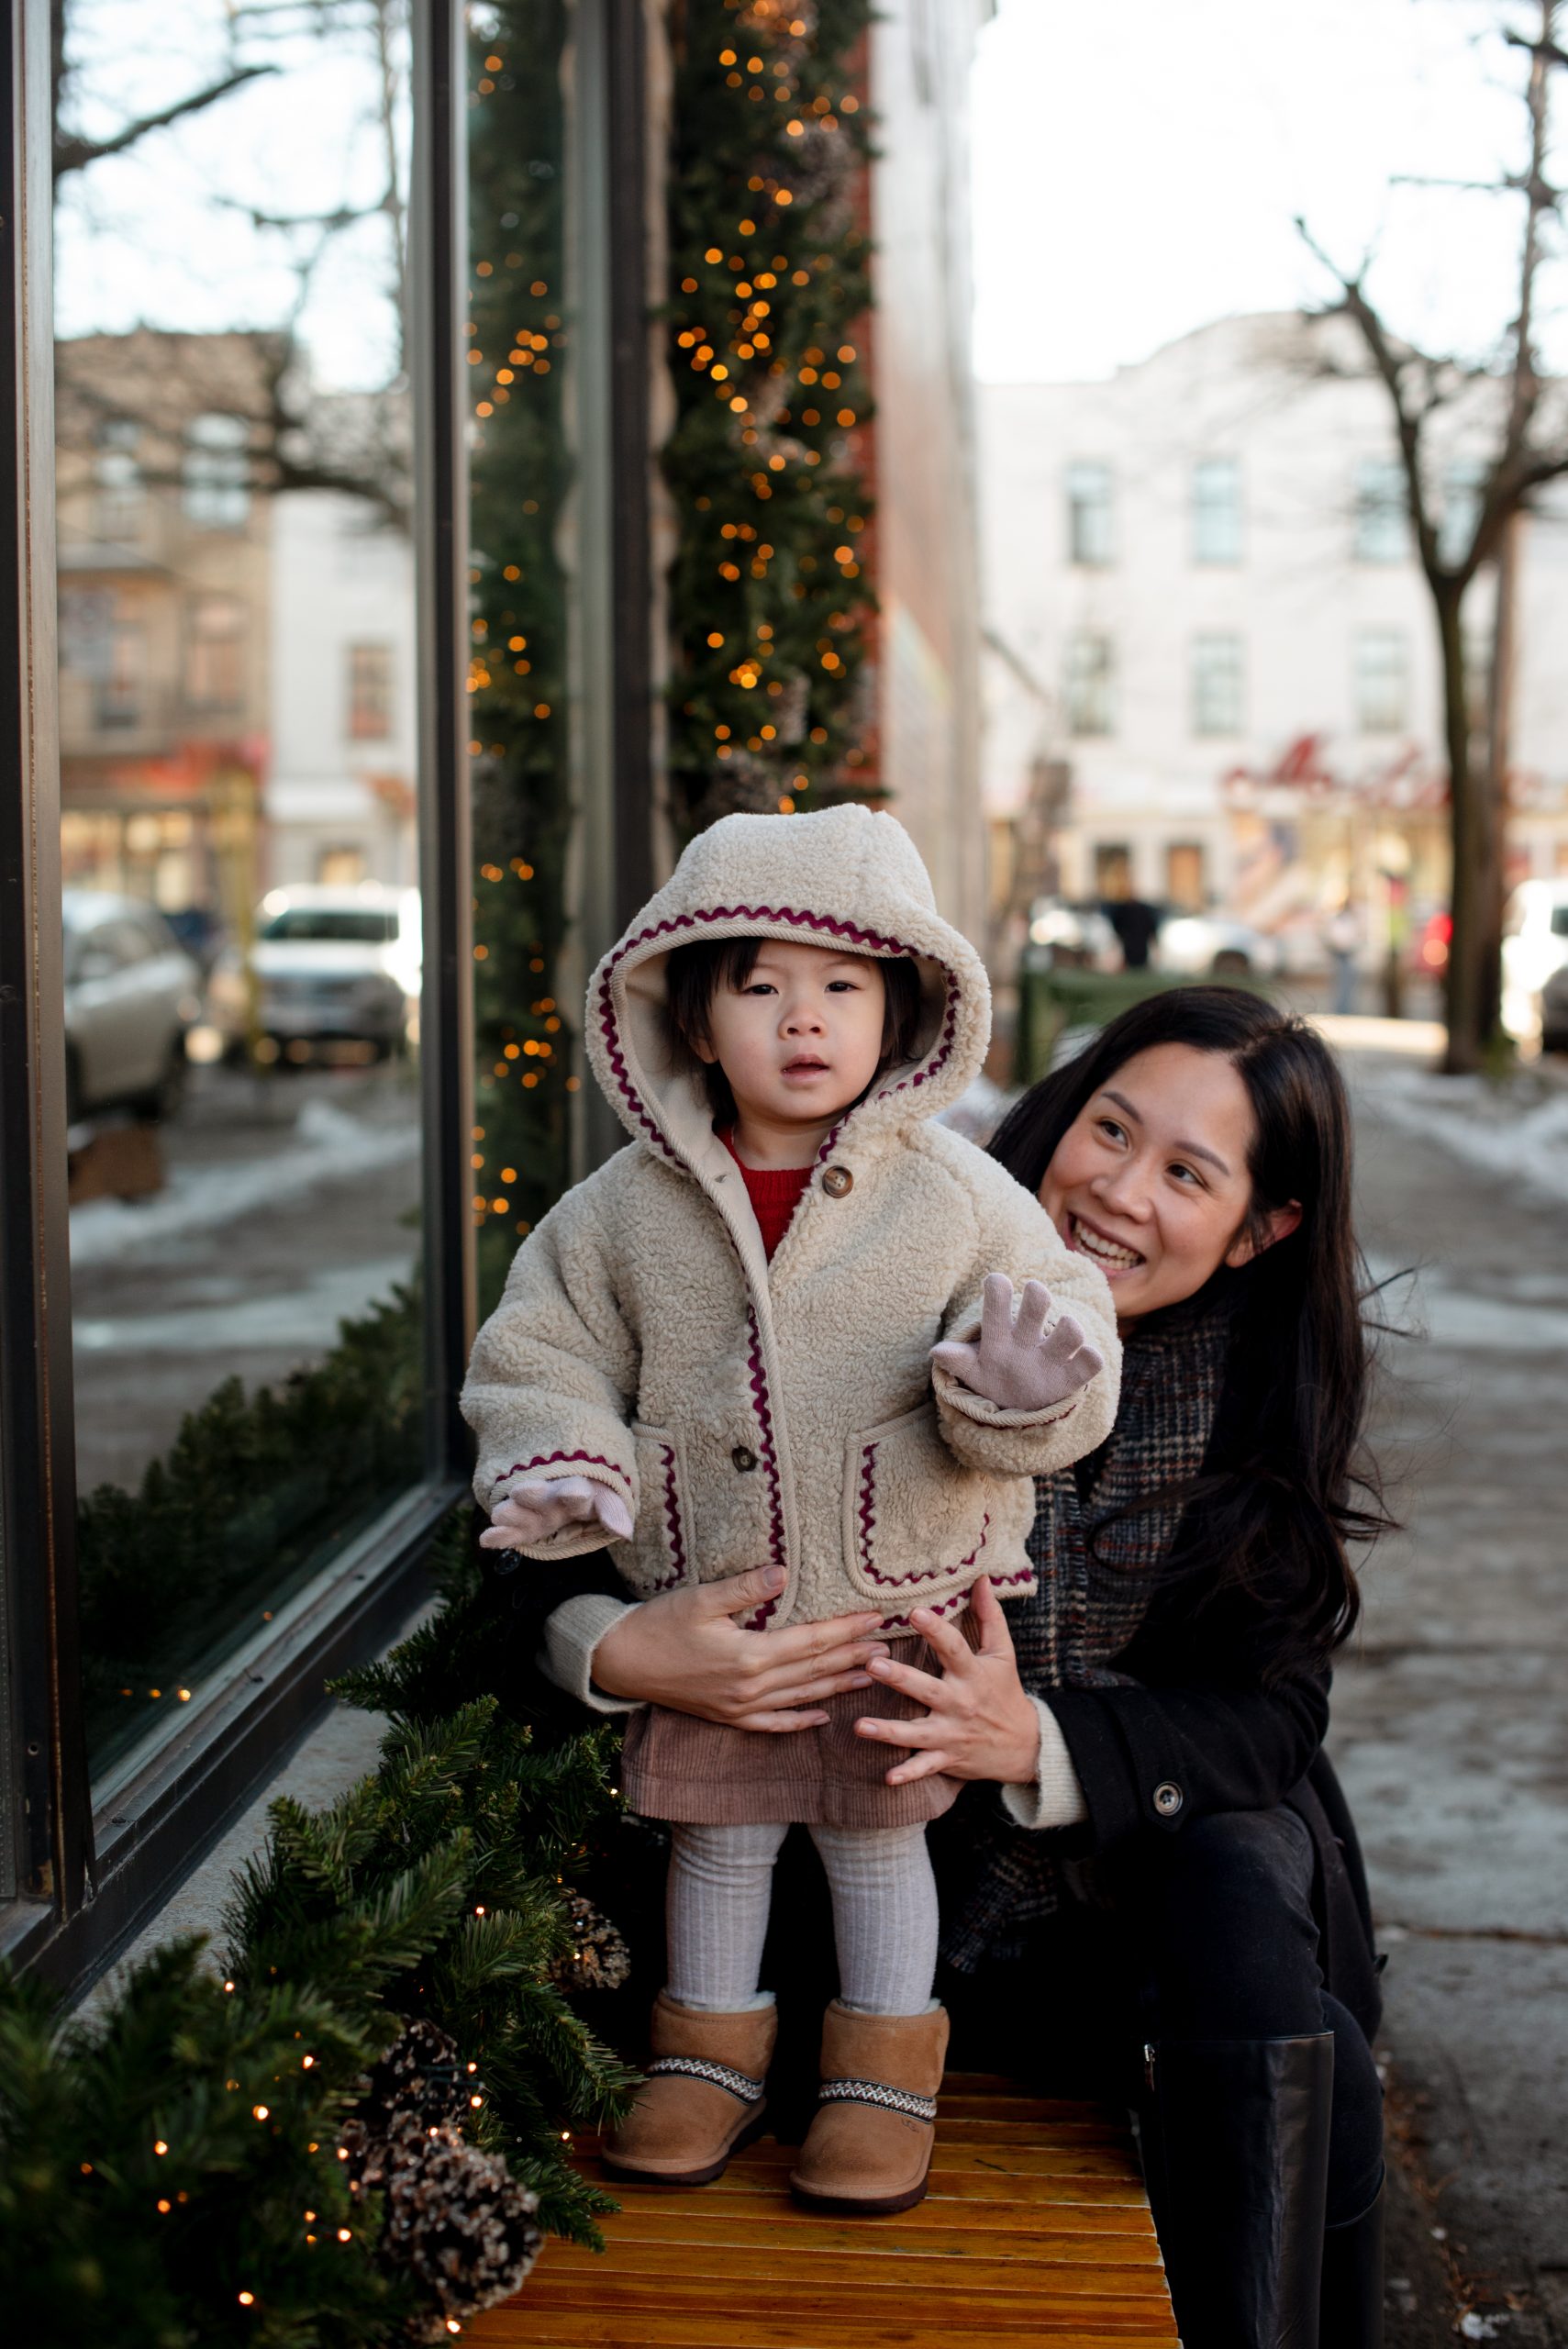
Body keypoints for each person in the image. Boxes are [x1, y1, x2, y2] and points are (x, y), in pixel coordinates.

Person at [517, 985, 1391, 2349]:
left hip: (1072, 1923)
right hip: (794, 1868)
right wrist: (620, 1648)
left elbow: (1271, 1715)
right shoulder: (862, 1253)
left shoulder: (1241, 1396)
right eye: (1108, 1128)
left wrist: (1032, 1741)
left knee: (1253, 1914)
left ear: (1257, 1230)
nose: (1113, 1191)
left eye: (1185, 1174)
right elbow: (567, 1469)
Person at [462, 804, 1119, 2217]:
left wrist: (1017, 1387)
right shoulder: (615, 1211)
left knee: (879, 1843)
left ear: (907, 1012)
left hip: (890, 1599)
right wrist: (563, 1462)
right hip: (712, 1608)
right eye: (757, 986)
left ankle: (882, 2076)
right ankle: (706, 2056)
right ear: (692, 1019)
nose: (800, 1020)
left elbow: (1057, 1322)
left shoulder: (956, 1194)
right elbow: (543, 1351)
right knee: (719, 1837)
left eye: (840, 987)